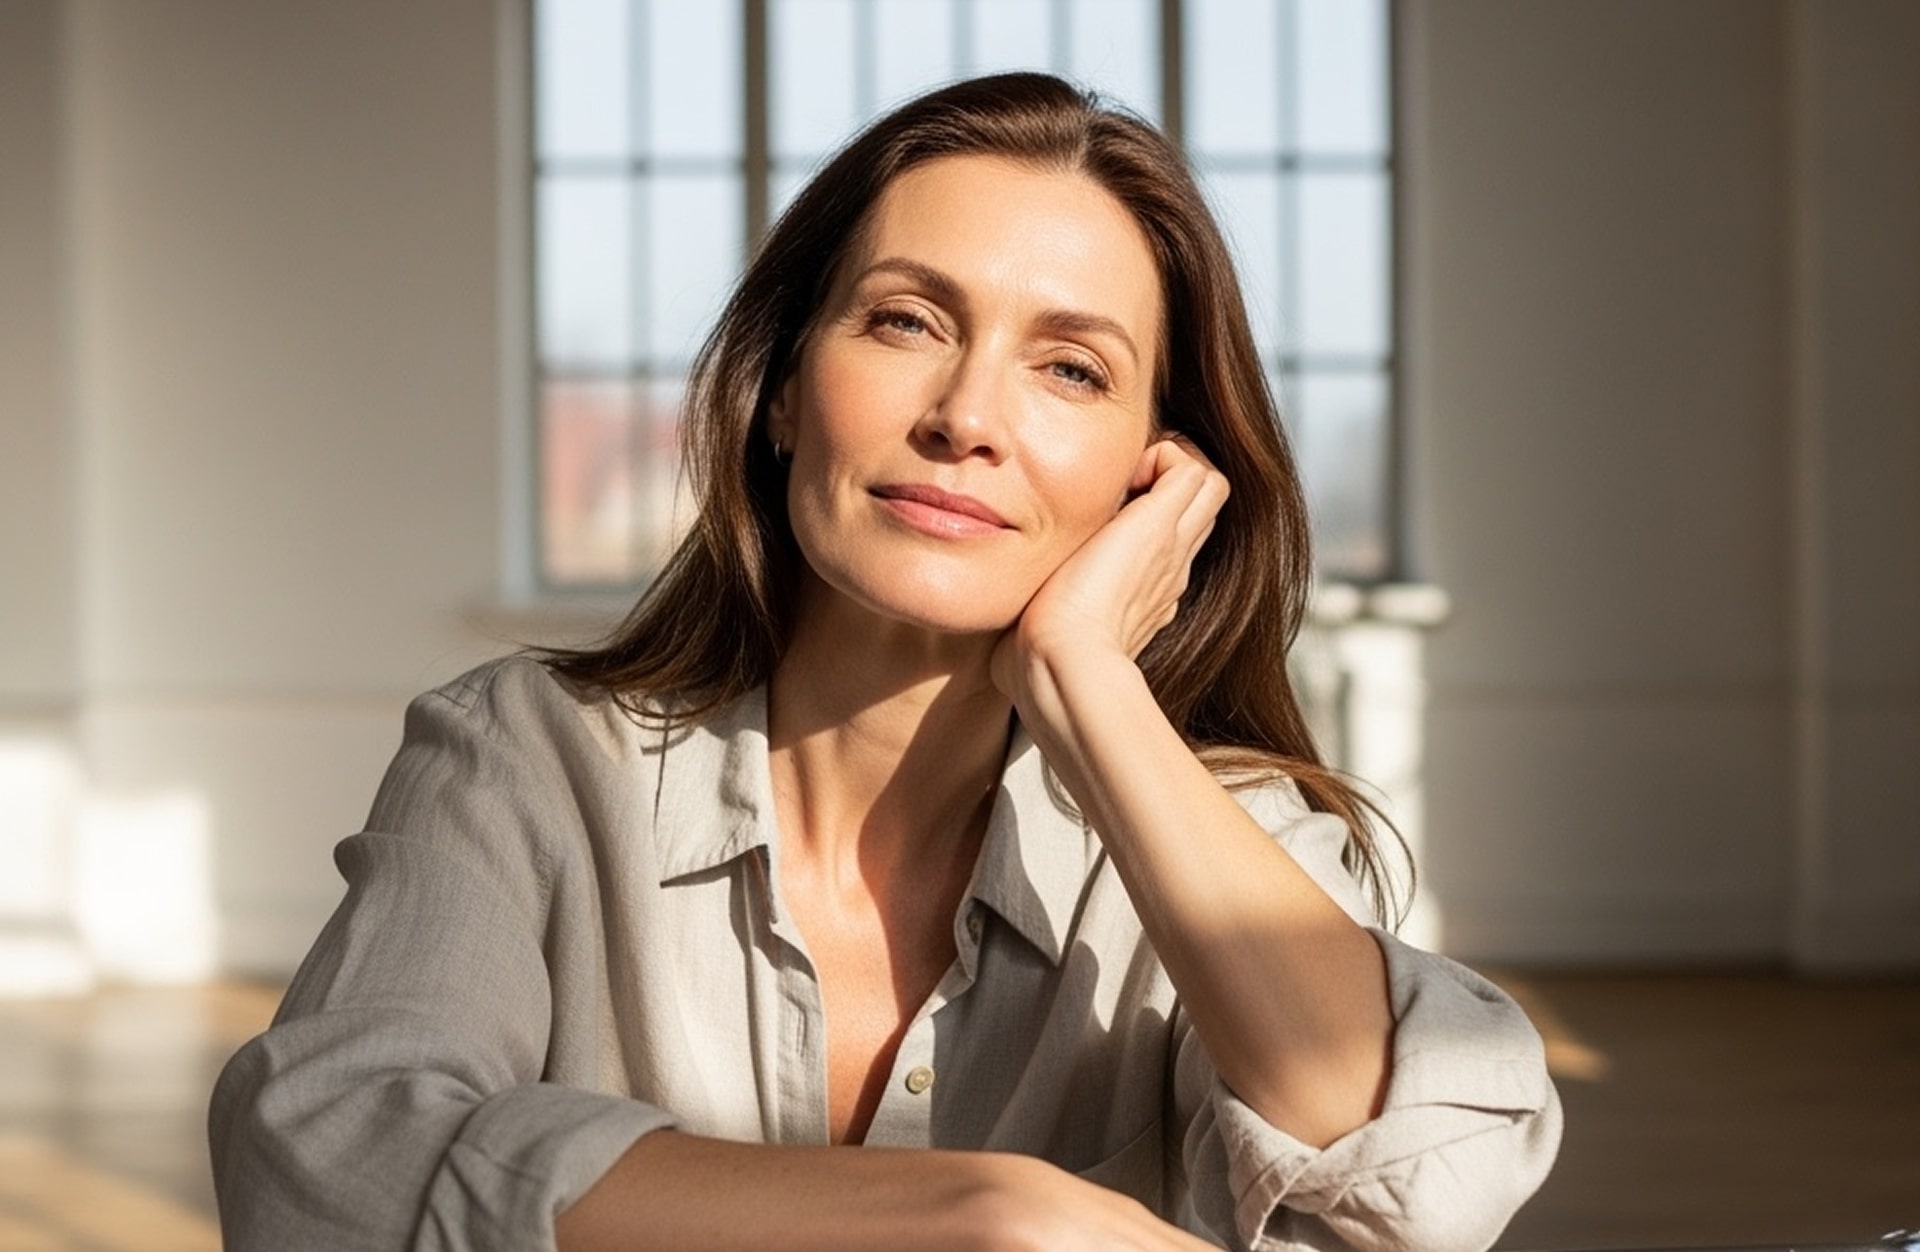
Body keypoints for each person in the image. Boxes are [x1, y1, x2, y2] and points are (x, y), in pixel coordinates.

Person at [209, 72, 1560, 1251]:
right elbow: (326, 1170)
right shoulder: (528, 756)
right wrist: (983, 1218)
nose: (967, 416)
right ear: (784, 389)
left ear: (1160, 477)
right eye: (907, 321)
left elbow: (1424, 1189)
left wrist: (1090, 677)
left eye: (1072, 370)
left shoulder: (1224, 833)